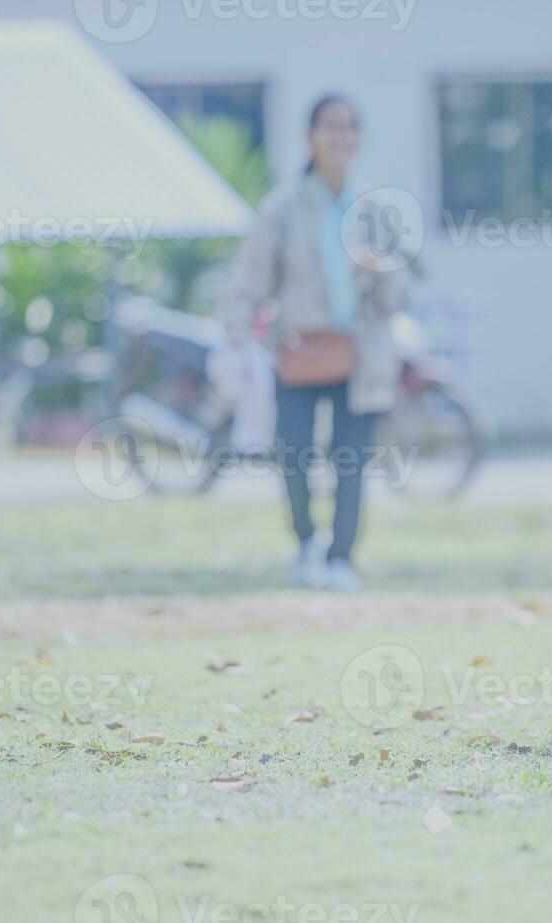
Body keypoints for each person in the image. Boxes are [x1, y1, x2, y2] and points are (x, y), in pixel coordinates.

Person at [225, 94, 409, 592]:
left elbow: (399, 295)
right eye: (331, 127)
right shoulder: (284, 207)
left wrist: (379, 270)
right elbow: (250, 281)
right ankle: (306, 542)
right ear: (311, 136)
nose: (341, 137)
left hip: (360, 355)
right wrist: (236, 341)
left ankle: (341, 557)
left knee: (351, 460)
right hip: (298, 352)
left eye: (350, 127)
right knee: (295, 455)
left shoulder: (373, 207)